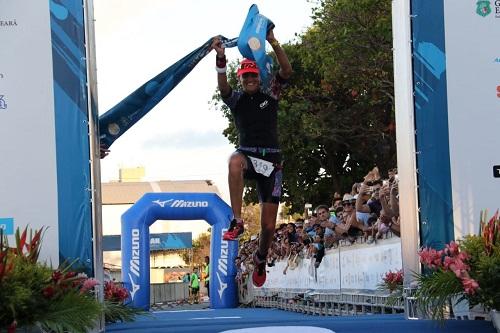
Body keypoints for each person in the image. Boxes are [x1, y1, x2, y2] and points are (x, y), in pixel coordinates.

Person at [211, 27, 292, 287]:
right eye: (245, 77)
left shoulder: (270, 94)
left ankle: (260, 257)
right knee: (233, 161)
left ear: (259, 76)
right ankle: (237, 220)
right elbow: (223, 88)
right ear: (241, 79)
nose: (249, 80)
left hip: (272, 162)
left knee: (268, 226)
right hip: (247, 154)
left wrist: (272, 41)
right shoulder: (235, 99)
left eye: (253, 76)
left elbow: (286, 71)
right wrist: (221, 59)